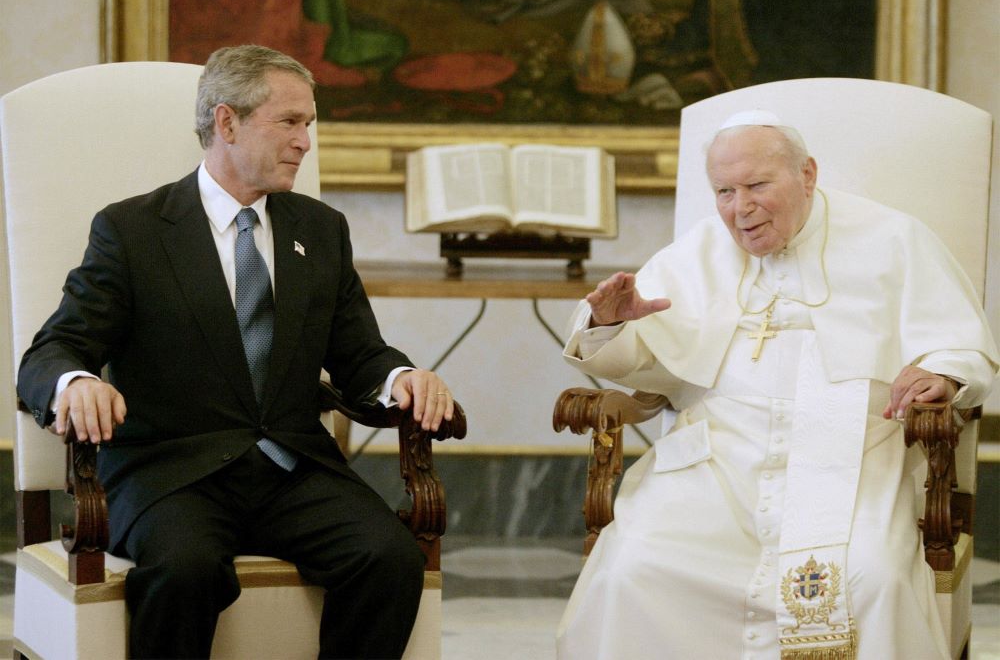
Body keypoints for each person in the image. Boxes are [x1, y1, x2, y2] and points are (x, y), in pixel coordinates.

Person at [16, 44, 454, 660]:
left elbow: (360, 354)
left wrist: (403, 378)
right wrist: (74, 383)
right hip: (171, 474)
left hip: (293, 469)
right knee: (185, 570)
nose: (306, 141)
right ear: (227, 122)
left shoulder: (319, 230)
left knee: (387, 559)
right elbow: (53, 349)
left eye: (309, 123)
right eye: (290, 122)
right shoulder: (134, 231)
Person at [556, 110, 998, 659]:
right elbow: (640, 358)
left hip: (855, 460)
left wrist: (942, 374)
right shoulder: (699, 252)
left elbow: (962, 346)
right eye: (723, 191)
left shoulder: (894, 239)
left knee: (874, 578)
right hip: (716, 461)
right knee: (631, 569)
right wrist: (610, 325)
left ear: (807, 174)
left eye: (757, 185)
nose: (740, 209)